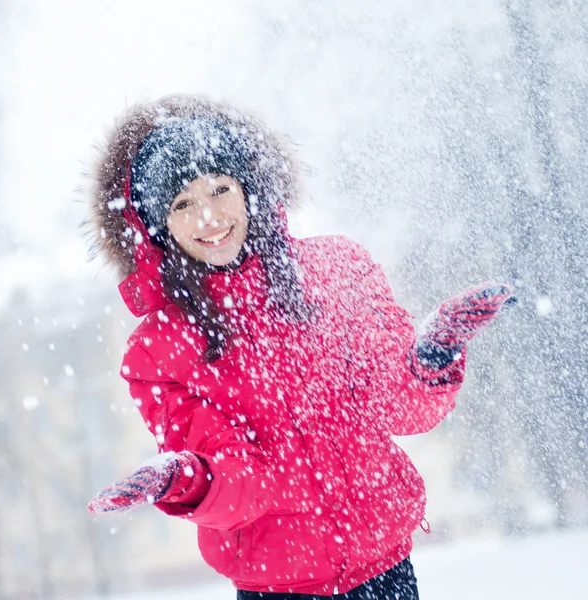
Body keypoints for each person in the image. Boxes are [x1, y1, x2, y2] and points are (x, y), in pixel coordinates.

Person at [86, 94, 514, 599]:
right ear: (157, 228)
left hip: (386, 574)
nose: (208, 217)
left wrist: (430, 357)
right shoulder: (159, 351)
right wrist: (185, 480)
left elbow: (396, 406)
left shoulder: (338, 270)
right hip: (277, 588)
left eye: (220, 189)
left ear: (249, 190)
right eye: (182, 204)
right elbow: (239, 479)